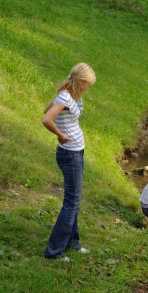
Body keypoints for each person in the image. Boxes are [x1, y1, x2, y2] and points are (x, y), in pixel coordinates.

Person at [42, 63, 96, 261]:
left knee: (74, 201)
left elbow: (47, 109)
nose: (87, 88)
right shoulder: (65, 97)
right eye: (87, 84)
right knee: (71, 203)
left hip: (75, 152)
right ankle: (54, 251)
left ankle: (73, 243)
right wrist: (60, 134)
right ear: (80, 81)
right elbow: (47, 118)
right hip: (70, 154)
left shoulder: (67, 95)